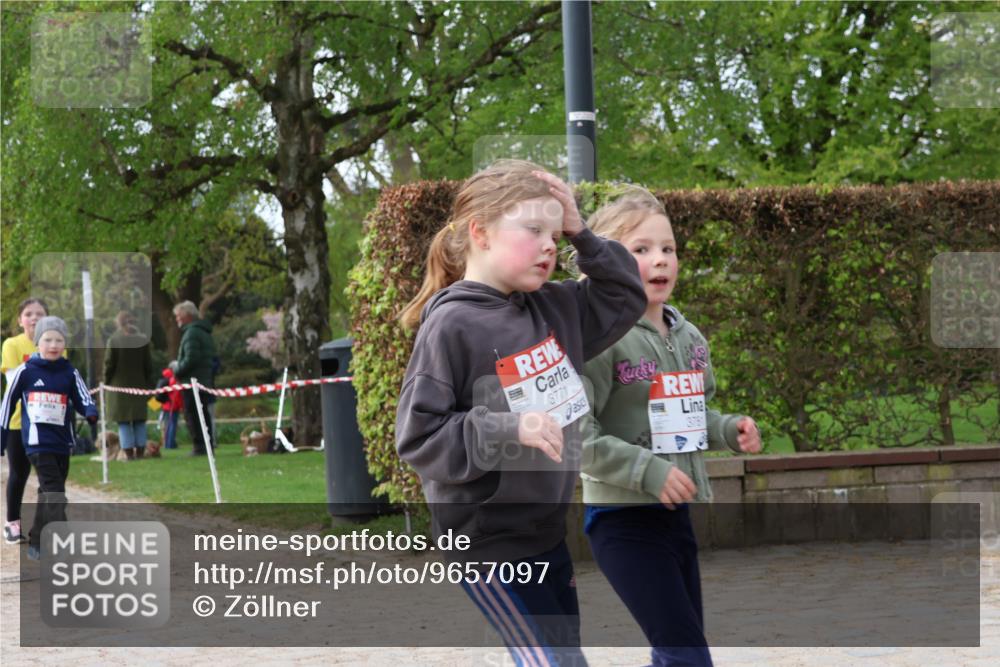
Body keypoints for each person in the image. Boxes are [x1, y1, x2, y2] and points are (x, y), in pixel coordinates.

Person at [395, 160, 646, 667]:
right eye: (534, 230)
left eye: (556, 234)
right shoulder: (451, 325)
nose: (551, 245)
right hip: (487, 547)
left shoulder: (557, 307)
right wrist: (511, 427)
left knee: (566, 659)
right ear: (480, 232)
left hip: (547, 535)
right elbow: (418, 437)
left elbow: (625, 295)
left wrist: (583, 232)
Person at [579, 189, 762, 667]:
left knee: (678, 650)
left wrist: (728, 428)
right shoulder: (598, 340)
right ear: (606, 261)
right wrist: (648, 472)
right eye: (640, 250)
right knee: (688, 655)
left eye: (668, 248)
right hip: (621, 522)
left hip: (676, 518)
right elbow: (572, 437)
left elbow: (687, 416)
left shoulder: (688, 336)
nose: (659, 260)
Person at [0, 316, 98, 560]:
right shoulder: (26, 371)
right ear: (37, 343)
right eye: (48, 340)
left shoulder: (69, 371)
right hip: (36, 441)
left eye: (59, 340)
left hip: (62, 442)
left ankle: (38, 540)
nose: (53, 345)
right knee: (55, 491)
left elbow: (83, 396)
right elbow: (7, 403)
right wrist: (2, 436)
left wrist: (90, 412)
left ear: (65, 344)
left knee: (47, 492)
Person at [1, 298, 54, 544]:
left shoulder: (55, 344)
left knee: (49, 477)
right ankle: (12, 524)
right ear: (20, 320)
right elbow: (15, 381)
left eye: (40, 314)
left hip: (49, 421)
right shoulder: (12, 344)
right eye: (29, 314)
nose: (34, 318)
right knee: (19, 473)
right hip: (17, 420)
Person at [103, 311, 154, 460]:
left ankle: (129, 455)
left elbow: (109, 364)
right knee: (139, 421)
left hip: (119, 388)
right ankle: (140, 452)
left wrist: (106, 382)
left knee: (123, 421)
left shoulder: (114, 340)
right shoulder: (143, 340)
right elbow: (148, 366)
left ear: (118, 323)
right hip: (139, 386)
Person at [171, 301, 217, 456]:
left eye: (178, 316)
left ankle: (199, 446)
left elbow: (191, 358)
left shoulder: (191, 333)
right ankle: (207, 445)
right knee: (203, 413)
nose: (177, 319)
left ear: (187, 316)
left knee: (193, 414)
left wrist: (177, 368)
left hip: (193, 381)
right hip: (203, 379)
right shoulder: (203, 332)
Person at [156, 366, 184, 449]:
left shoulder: (165, 377)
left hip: (165, 405)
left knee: (167, 425)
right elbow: (177, 395)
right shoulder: (173, 379)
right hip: (172, 406)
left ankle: (167, 444)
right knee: (172, 425)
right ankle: (170, 444)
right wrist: (181, 406)